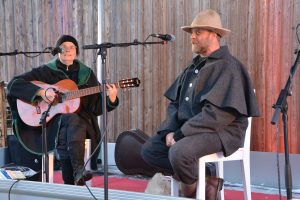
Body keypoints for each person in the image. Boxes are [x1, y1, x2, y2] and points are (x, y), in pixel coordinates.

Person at [141, 9, 260, 198]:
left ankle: (190, 192)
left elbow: (217, 116)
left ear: (214, 35)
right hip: (192, 131)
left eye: (198, 32)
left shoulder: (228, 66)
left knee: (179, 153)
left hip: (222, 131)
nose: (192, 37)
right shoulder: (194, 66)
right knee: (150, 150)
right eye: (192, 33)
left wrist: (180, 134)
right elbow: (175, 103)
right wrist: (170, 131)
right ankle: (206, 181)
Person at [7, 35, 119, 185]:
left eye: (72, 47)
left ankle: (74, 176)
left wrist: (111, 99)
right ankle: (78, 171)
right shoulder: (45, 71)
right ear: (57, 51)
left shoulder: (86, 74)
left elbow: (95, 107)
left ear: (77, 51)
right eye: (64, 47)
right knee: (70, 121)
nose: (68, 50)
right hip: (50, 123)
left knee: (73, 121)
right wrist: (41, 93)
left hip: (81, 125)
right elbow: (14, 84)